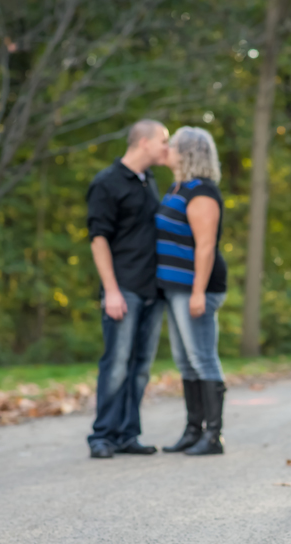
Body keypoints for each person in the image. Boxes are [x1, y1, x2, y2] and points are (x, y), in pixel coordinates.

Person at [85, 119, 169, 459]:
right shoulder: (106, 183)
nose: (167, 148)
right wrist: (112, 291)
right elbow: (98, 238)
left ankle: (127, 434)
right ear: (144, 142)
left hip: (153, 290)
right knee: (116, 364)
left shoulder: (148, 181)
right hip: (124, 289)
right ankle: (102, 436)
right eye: (163, 141)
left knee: (140, 367)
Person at [156, 127, 228, 456]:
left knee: (202, 359)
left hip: (195, 287)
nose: (166, 150)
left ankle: (213, 437)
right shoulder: (178, 188)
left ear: (187, 153)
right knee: (185, 362)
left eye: (172, 146)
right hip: (174, 288)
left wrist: (198, 291)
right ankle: (192, 430)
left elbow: (205, 246)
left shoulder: (202, 192)